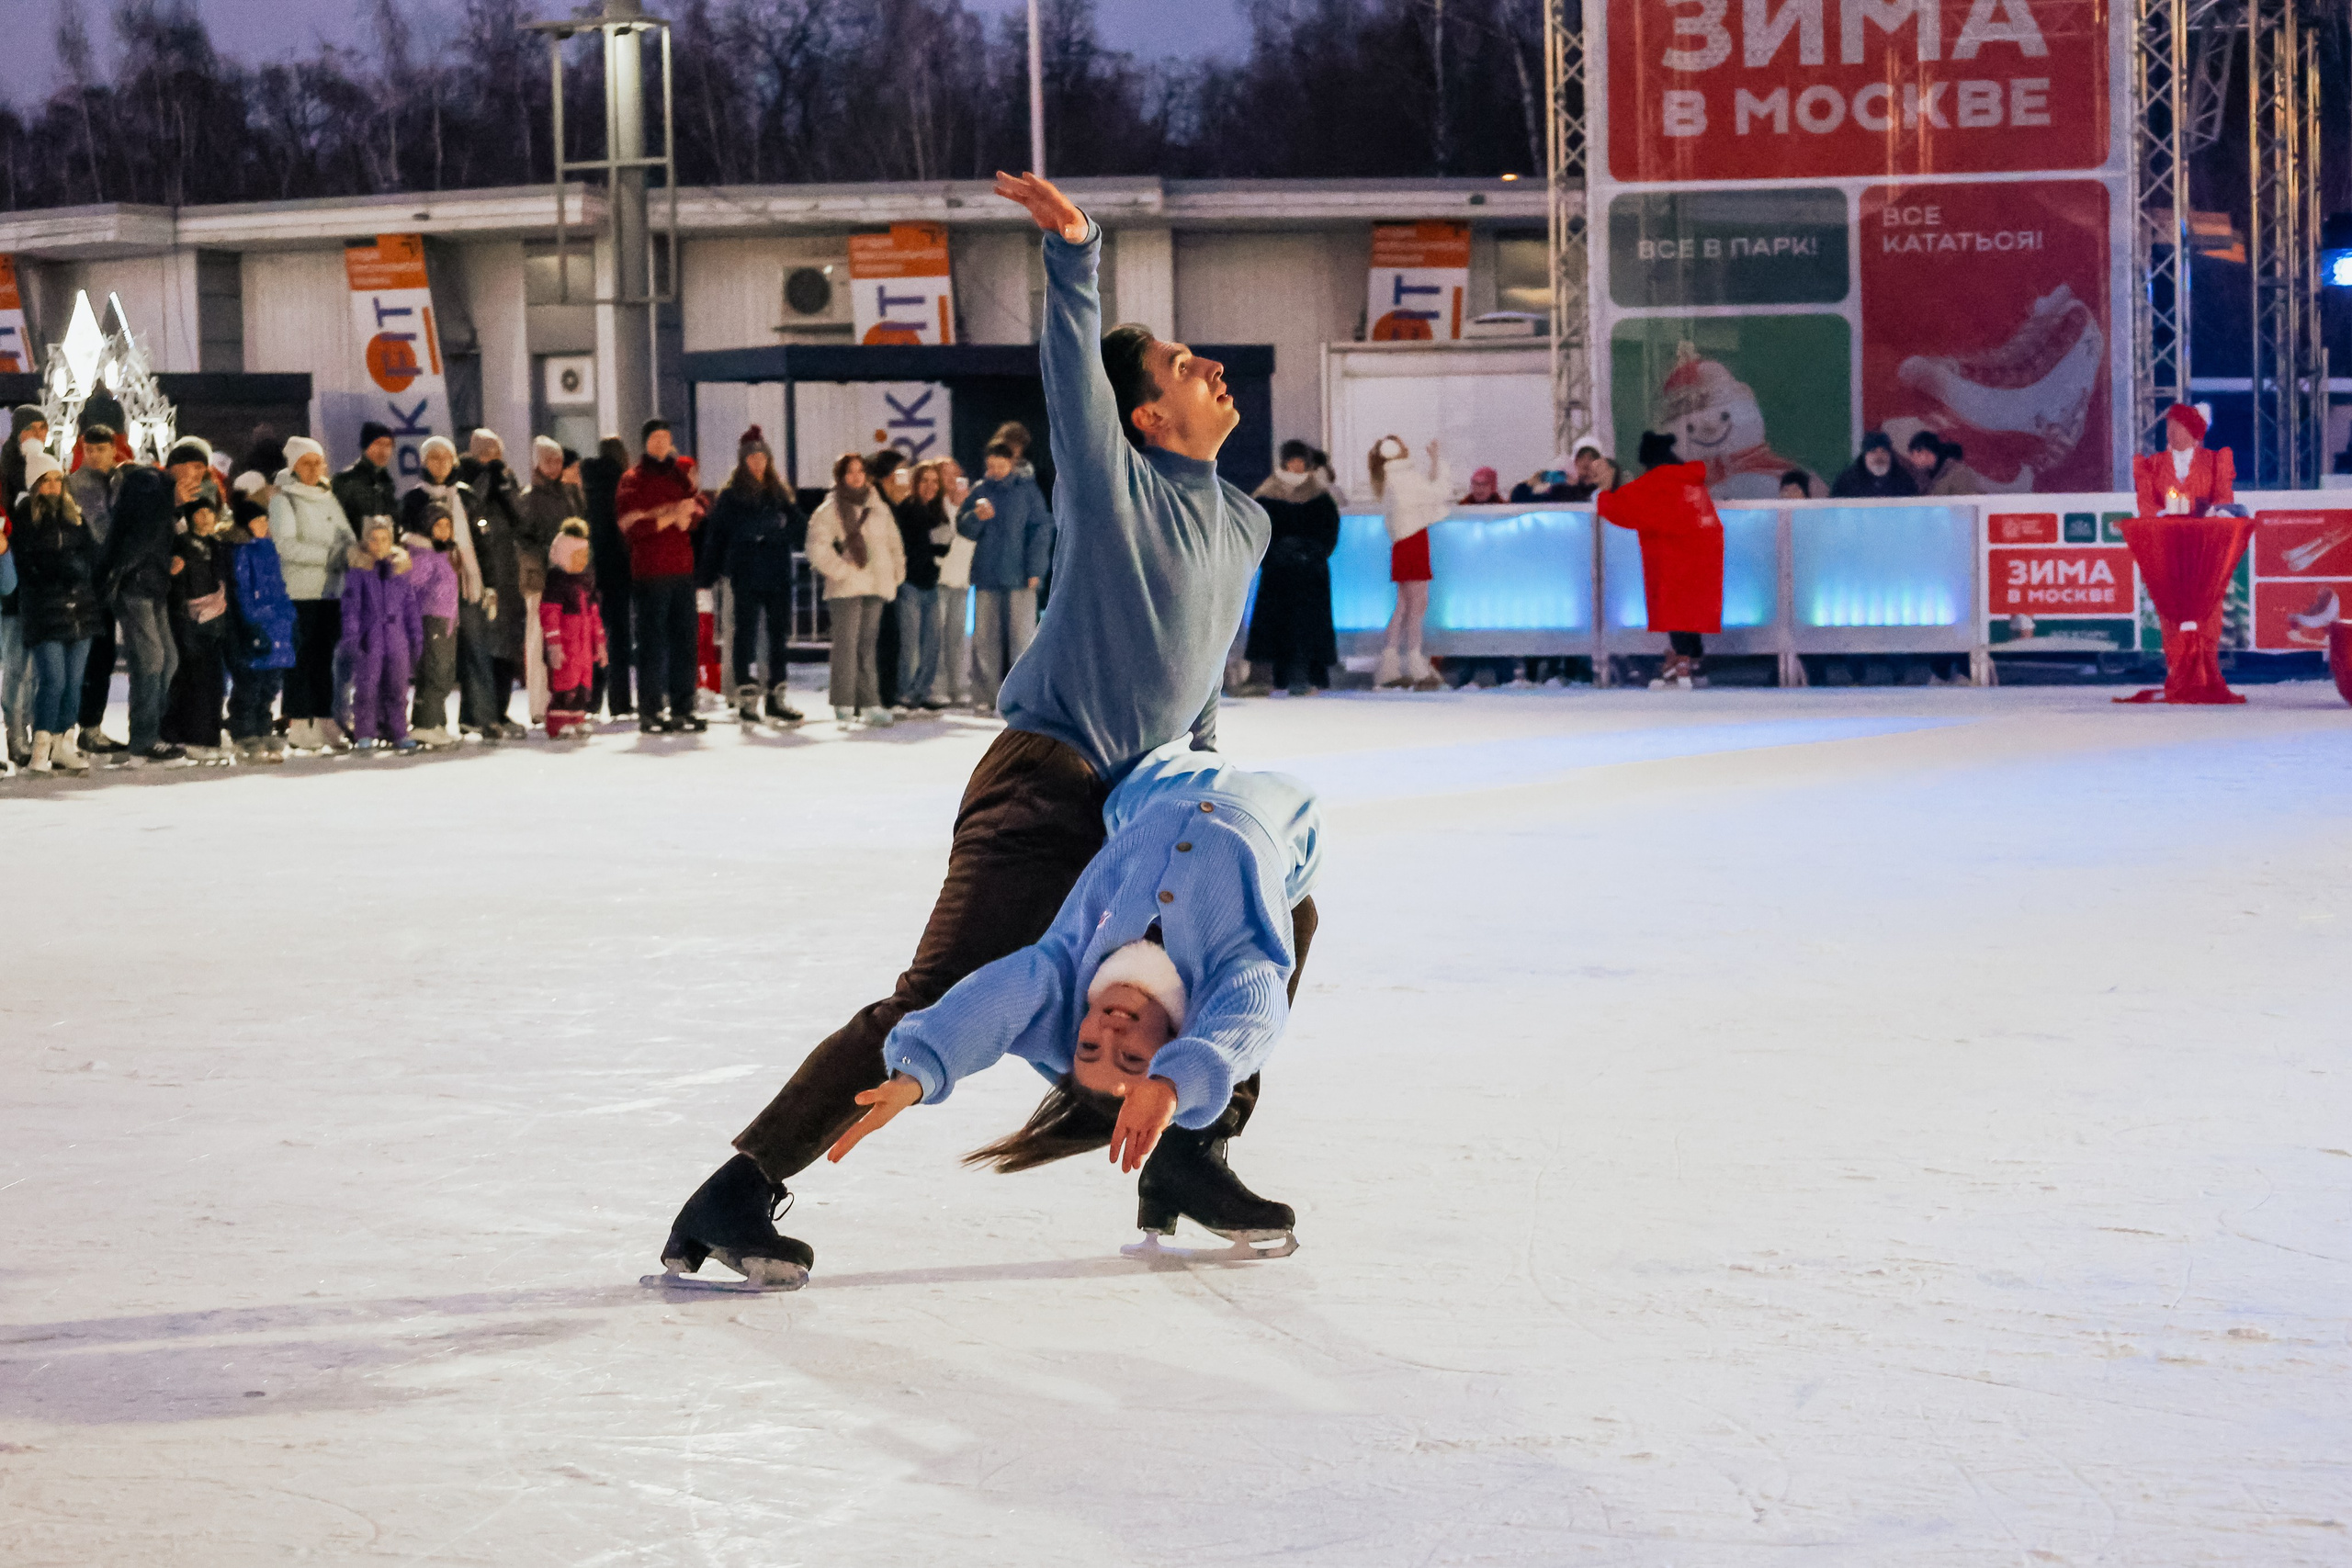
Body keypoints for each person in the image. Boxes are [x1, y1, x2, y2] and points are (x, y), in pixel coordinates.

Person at [658, 170, 1293, 1290]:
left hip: (1146, 806)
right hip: (1045, 787)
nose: (1210, 367)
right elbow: (1074, 377)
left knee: (1279, 911)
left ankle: (1189, 1154)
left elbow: (1196, 672)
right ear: (1146, 418)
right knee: (937, 999)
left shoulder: (1243, 523)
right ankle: (738, 1190)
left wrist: (1204, 781)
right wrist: (1075, 256)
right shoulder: (1115, 486)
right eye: (1182, 365)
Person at [815, 741, 1323, 1261]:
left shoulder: (1069, 965)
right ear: (1173, 1040)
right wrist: (1174, 1083)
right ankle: (1188, 1154)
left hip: (1157, 782)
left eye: (1088, 1047)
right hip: (1279, 821)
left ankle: (1180, 1168)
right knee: (1299, 917)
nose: (1110, 1033)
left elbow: (999, 1002)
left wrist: (920, 1070)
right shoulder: (1230, 966)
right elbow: (1252, 1012)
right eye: (1132, 1057)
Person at [101, 435, 204, 765]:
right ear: (176, 464)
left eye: (202, 470)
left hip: (154, 584)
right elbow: (138, 523)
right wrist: (171, 500)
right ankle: (144, 739)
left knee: (167, 660)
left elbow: (164, 536)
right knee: (151, 659)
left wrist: (175, 557)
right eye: (194, 466)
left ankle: (152, 734)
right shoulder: (146, 481)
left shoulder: (166, 493)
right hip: (133, 583)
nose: (198, 475)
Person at [1600, 432, 1725, 692]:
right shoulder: (1690, 479)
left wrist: (1603, 493)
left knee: (1675, 610)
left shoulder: (1657, 481)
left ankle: (1682, 664)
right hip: (1704, 554)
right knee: (1693, 610)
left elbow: (1621, 507)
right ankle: (1694, 660)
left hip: (1672, 556)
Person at [697, 427, 804, 728]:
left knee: (778, 636)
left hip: (777, 574)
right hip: (745, 574)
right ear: (743, 462)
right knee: (744, 635)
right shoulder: (731, 496)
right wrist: (706, 576)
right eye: (752, 458)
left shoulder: (778, 492)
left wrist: (773, 532)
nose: (758, 463)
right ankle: (746, 697)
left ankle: (776, 696)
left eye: (762, 458)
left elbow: (799, 526)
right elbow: (719, 535)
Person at [14, 451, 105, 775]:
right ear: (35, 485)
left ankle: (65, 743)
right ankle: (41, 748)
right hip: (45, 610)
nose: (53, 486)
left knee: (74, 681)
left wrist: (81, 570)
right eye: (46, 480)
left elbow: (93, 555)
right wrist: (58, 569)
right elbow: (26, 564)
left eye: (57, 479)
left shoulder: (75, 516)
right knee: (53, 679)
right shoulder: (26, 519)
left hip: (81, 608)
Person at [399, 436, 495, 743]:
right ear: (423, 462)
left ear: (454, 460)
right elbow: (409, 544)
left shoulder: (466, 496)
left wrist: (490, 582)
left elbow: (483, 542)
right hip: (433, 590)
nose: (440, 464)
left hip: (467, 581)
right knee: (435, 657)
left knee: (474, 650)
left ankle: (477, 717)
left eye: (445, 457)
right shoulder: (414, 499)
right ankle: (431, 721)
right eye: (433, 457)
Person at [616, 418, 707, 735]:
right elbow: (631, 526)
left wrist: (688, 516)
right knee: (652, 643)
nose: (661, 443)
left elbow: (698, 505)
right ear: (645, 442)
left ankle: (684, 706)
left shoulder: (677, 474)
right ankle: (651, 709)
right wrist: (671, 515)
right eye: (655, 438)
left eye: (665, 438)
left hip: (682, 569)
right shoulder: (633, 479)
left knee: (685, 641)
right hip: (650, 571)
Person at [269, 434, 357, 752]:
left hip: (331, 592)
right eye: (306, 463)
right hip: (299, 592)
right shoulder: (284, 500)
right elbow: (286, 546)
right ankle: (299, 720)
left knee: (323, 657)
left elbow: (347, 537)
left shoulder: (327, 497)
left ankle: (323, 717)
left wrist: (352, 552)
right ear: (293, 466)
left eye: (318, 463)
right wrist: (333, 556)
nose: (313, 469)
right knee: (301, 658)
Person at [805, 451, 906, 727]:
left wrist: (896, 571)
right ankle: (844, 702)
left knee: (867, 646)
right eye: (850, 472)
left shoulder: (878, 506)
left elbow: (893, 542)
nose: (856, 476)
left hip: (876, 582)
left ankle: (870, 702)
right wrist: (841, 571)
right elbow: (817, 547)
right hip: (846, 585)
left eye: (860, 471)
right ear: (841, 476)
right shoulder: (829, 510)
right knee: (846, 646)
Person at [957, 440, 1054, 712]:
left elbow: (1041, 529)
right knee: (984, 638)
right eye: (991, 466)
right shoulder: (980, 490)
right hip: (986, 575)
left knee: (1021, 639)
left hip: (1020, 576)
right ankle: (985, 696)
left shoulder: (1027, 491)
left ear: (1011, 463)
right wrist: (976, 516)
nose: (996, 471)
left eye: (1001, 465)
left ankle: (1021, 698)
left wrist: (1035, 569)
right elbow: (963, 528)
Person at [1245, 440, 1340, 696]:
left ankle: (1304, 677)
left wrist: (1311, 551)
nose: (1296, 465)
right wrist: (1276, 553)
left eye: (1300, 460)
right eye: (1292, 460)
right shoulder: (1267, 493)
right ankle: (1265, 678)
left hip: (1310, 572)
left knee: (1306, 625)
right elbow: (1257, 530)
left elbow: (1329, 531)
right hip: (1278, 572)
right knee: (1273, 624)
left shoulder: (1320, 496)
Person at [457, 430, 530, 736]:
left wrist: (505, 486)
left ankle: (499, 710)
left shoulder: (506, 479)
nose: (494, 459)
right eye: (487, 453)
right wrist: (486, 479)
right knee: (480, 646)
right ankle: (475, 714)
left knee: (507, 645)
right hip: (480, 572)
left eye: (497, 453)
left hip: (508, 573)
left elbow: (522, 518)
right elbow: (472, 510)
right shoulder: (464, 480)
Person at [63, 423, 128, 757]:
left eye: (101, 449)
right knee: (85, 659)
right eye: (89, 450)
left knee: (102, 657)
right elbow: (96, 530)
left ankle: (91, 726)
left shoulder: (120, 480)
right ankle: (73, 729)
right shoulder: (75, 484)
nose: (94, 455)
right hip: (85, 582)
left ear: (113, 449)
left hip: (109, 581)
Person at [222, 485, 296, 764]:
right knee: (249, 684)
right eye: (258, 520)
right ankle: (244, 733)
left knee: (270, 685)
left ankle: (263, 729)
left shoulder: (269, 550)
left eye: (266, 520)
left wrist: (289, 620)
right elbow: (241, 592)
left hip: (276, 626)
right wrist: (251, 625)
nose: (264, 525)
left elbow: (280, 589)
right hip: (255, 626)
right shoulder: (241, 553)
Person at [338, 517, 424, 755]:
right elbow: (351, 607)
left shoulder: (400, 572)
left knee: (397, 687)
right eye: (374, 539)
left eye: (384, 539)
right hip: (370, 637)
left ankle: (398, 730)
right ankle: (365, 731)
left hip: (397, 638)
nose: (379, 544)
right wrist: (353, 636)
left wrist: (416, 637)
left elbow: (410, 608)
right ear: (366, 542)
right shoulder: (358, 573)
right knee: (367, 686)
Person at [1370, 433, 1447, 691]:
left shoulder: (1390, 478)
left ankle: (1390, 663)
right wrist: (1438, 461)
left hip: (1403, 543)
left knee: (1404, 605)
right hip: (1413, 541)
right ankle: (1415, 661)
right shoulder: (1405, 476)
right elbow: (1437, 492)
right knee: (1416, 605)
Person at [160, 497, 234, 760]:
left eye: (209, 512)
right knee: (194, 679)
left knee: (214, 681)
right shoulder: (182, 544)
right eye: (200, 513)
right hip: (191, 620)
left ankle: (209, 735)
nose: (206, 518)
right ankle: (192, 735)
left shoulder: (216, 545)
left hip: (214, 621)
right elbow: (178, 586)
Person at [513, 435, 578, 726]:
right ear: (537, 463)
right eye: (549, 460)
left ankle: (567, 698)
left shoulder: (570, 494)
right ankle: (539, 703)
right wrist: (550, 554)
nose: (555, 466)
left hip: (568, 577)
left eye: (558, 460)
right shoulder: (529, 497)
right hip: (540, 578)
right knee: (539, 639)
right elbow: (522, 538)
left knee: (567, 640)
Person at [400, 502, 463, 749]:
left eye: (448, 525)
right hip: (431, 619)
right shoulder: (424, 555)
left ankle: (435, 721)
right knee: (435, 671)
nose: (444, 531)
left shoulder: (442, 552)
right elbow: (412, 586)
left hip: (446, 618)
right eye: (438, 525)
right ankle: (424, 723)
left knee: (444, 672)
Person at [581, 434, 634, 718]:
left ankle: (591, 698)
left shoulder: (587, 485)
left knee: (594, 634)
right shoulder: (623, 485)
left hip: (593, 569)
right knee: (619, 636)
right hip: (619, 568)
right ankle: (619, 700)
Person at [894, 458, 952, 712]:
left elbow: (943, 547)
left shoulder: (938, 512)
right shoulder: (908, 509)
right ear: (915, 483)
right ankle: (905, 692)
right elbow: (917, 545)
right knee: (910, 644)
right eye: (925, 480)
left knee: (931, 643)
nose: (930, 486)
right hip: (910, 583)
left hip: (931, 583)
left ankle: (922, 691)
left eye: (935, 481)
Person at [540, 522, 607, 739]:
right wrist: (554, 644)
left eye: (584, 556)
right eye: (577, 556)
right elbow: (549, 613)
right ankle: (558, 721)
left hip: (584, 648)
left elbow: (594, 615)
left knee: (582, 685)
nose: (582, 560)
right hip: (566, 646)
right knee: (564, 685)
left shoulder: (586, 583)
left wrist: (600, 643)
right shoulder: (556, 582)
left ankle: (577, 717)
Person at [2132, 402, 2235, 517]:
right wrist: (2162, 514)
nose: (2172, 431)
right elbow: (2145, 503)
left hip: (2205, 526)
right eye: (2169, 426)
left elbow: (2224, 499)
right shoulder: (2150, 464)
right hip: (2164, 526)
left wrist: (2212, 512)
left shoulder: (2215, 461)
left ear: (2193, 431)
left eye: (2179, 426)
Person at [932, 457, 978, 707]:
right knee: (937, 637)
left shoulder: (970, 504)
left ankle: (959, 686)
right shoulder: (933, 505)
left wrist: (966, 508)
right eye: (944, 474)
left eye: (954, 473)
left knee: (959, 636)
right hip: (939, 576)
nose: (950, 479)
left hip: (962, 576)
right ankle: (937, 687)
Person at [331, 421, 399, 538]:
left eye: (388, 445)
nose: (384, 451)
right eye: (378, 444)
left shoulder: (387, 483)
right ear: (365, 446)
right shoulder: (345, 480)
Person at [1829, 431, 1921, 499]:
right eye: (1873, 451)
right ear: (1865, 455)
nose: (1879, 456)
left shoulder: (1904, 480)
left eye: (1883, 451)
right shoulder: (1846, 482)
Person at [1905, 430, 1993, 497]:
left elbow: (1966, 504)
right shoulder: (1922, 475)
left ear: (1926, 452)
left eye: (1913, 454)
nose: (1911, 459)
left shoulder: (1958, 473)